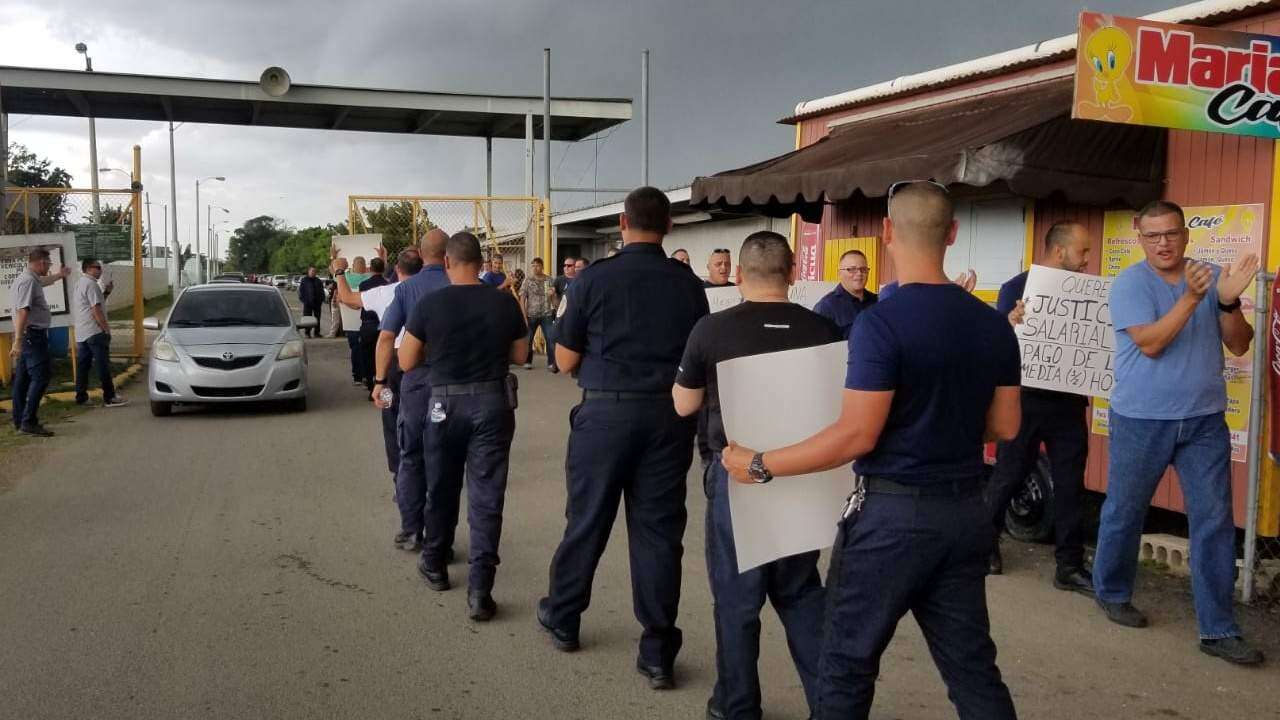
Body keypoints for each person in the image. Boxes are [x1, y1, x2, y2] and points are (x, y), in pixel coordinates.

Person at [723, 181, 1020, 719]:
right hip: (963, 513)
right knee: (974, 672)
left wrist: (761, 464)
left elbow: (856, 436)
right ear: (952, 234)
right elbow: (1004, 424)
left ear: (887, 233)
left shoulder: (880, 323)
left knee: (845, 667)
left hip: (891, 517)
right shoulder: (991, 324)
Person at [539, 186, 709, 691]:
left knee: (587, 519)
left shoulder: (594, 279)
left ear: (621, 222)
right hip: (668, 420)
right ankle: (658, 652)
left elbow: (566, 360)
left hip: (605, 417)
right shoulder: (689, 285)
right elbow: (698, 359)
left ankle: (564, 617)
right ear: (670, 227)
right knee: (659, 534)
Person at [1092, 200, 1264, 665]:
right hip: (1142, 418)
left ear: (1186, 234)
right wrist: (1192, 298)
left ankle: (1218, 630)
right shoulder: (1130, 283)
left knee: (1212, 521)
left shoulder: (1209, 275)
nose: (1163, 243)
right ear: (1139, 237)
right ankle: (1110, 590)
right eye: (1153, 236)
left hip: (1205, 419)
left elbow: (1240, 342)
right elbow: (1149, 344)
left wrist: (1226, 301)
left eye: (1171, 233)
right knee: (1126, 511)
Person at [673, 231, 836, 720]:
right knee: (802, 591)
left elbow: (685, 405)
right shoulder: (825, 329)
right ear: (793, 275)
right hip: (804, 476)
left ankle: (737, 705)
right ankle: (831, 705)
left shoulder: (710, 329)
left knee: (738, 601)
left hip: (736, 476)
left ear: (739, 275)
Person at [399, 232, 528, 621]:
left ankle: (435, 564)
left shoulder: (429, 303)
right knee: (487, 496)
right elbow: (521, 355)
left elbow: (406, 362)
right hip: (491, 402)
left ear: (449, 263)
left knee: (441, 485)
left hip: (443, 403)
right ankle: (479, 591)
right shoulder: (503, 302)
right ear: (481, 262)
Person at [987, 222, 1093, 593]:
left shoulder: (1089, 293)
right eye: (1082, 252)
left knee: (1070, 484)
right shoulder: (1016, 288)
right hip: (1025, 401)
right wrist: (1008, 322)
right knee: (1009, 473)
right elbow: (996, 344)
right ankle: (985, 545)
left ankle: (1069, 565)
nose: (1086, 260)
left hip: (1068, 403)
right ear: (1060, 251)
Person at [365, 230, 455, 552]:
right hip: (452, 387)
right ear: (448, 256)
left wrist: (378, 382)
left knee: (411, 455)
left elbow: (386, 338)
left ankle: (411, 530)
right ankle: (440, 537)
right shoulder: (459, 286)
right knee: (443, 459)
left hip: (416, 384)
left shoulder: (404, 290)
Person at [335, 249, 424, 509]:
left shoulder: (386, 292)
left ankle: (402, 481)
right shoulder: (433, 289)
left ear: (397, 269)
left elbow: (348, 298)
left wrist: (340, 272)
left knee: (390, 419)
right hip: (426, 361)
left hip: (390, 365)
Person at [10, 248, 71, 437]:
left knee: (23, 380)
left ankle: (20, 420)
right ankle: (29, 421)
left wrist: (59, 276)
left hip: (29, 336)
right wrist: (18, 341)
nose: (49, 268)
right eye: (48, 264)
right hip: (32, 337)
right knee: (41, 377)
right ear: (41, 262)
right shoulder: (29, 281)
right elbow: (23, 312)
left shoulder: (30, 279)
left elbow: (43, 281)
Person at [72, 258, 127, 408]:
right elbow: (96, 309)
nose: (100, 270)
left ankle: (81, 396)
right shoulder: (91, 284)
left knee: (83, 366)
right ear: (88, 268)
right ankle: (109, 397)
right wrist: (105, 328)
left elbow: (97, 302)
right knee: (103, 365)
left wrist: (107, 292)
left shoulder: (79, 284)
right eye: (97, 267)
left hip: (82, 332)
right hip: (95, 331)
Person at [813, 249, 878, 340]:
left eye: (863, 269)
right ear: (839, 273)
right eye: (851, 269)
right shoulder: (826, 308)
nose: (859, 273)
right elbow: (818, 349)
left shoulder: (877, 302)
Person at [357, 257, 390, 391]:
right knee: (384, 354)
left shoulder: (364, 285)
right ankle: (383, 383)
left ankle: (371, 385)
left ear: (370, 269)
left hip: (368, 324)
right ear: (383, 269)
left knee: (368, 355)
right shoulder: (388, 284)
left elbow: (360, 304)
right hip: (385, 324)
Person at [519, 257, 555, 371]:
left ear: (542, 267)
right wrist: (523, 315)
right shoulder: (528, 280)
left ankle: (551, 363)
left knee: (550, 338)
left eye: (537, 265)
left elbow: (554, 298)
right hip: (531, 315)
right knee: (528, 339)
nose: (535, 268)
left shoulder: (549, 280)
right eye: (533, 265)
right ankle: (527, 361)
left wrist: (552, 296)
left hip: (547, 314)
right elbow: (522, 298)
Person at [342, 257, 373, 386]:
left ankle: (360, 376)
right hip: (362, 322)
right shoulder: (369, 278)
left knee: (358, 348)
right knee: (364, 349)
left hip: (356, 321)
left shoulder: (347, 278)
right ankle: (365, 375)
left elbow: (335, 273)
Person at [548, 256, 579, 374]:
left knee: (574, 339)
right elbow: (553, 294)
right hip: (561, 315)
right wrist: (552, 295)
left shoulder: (579, 279)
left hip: (575, 315)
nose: (566, 268)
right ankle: (556, 363)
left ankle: (574, 365)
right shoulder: (559, 280)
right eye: (565, 265)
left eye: (569, 265)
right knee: (555, 338)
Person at [297, 267, 325, 338]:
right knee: (307, 319)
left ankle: (316, 333)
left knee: (317, 318)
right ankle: (307, 333)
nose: (313, 272)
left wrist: (322, 299)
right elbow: (301, 292)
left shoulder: (318, 281)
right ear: (308, 272)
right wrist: (304, 300)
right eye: (312, 271)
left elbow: (322, 291)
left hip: (317, 303)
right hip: (308, 303)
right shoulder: (304, 280)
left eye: (314, 271)